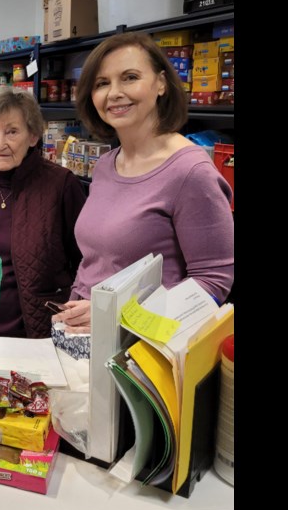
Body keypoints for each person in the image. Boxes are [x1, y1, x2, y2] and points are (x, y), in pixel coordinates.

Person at [52, 32, 234, 334]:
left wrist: (114, 316)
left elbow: (213, 283)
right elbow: (98, 263)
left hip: (140, 352)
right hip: (82, 338)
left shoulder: (190, 172)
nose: (114, 93)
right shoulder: (107, 165)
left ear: (161, 83)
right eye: (102, 83)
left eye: (130, 77)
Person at [0, 86, 86, 338]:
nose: (0, 144)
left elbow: (84, 259)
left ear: (33, 136)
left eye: (12, 132)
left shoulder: (60, 183)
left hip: (35, 330)